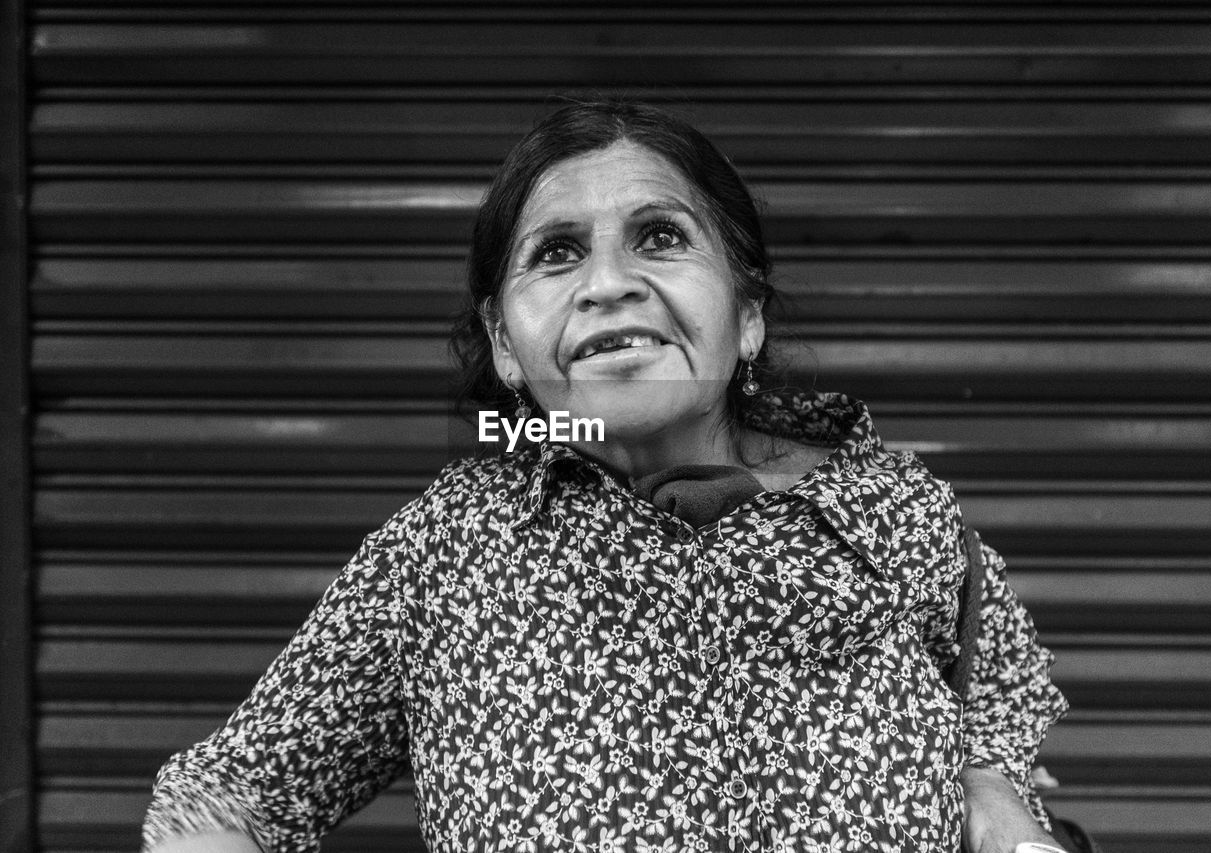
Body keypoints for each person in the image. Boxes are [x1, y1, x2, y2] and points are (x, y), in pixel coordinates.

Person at [142, 100, 1069, 853]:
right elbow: (227, 794)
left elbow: (999, 688)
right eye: (557, 253)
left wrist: (992, 779)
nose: (607, 283)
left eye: (660, 237)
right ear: (507, 346)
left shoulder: (891, 510)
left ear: (746, 314)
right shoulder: (449, 552)